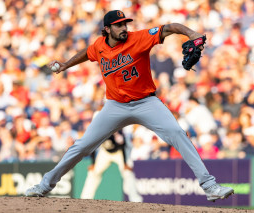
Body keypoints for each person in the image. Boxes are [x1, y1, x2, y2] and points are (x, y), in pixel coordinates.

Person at [25, 10, 234, 202]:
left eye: (125, 23)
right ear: (107, 29)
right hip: (115, 106)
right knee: (82, 146)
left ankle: (209, 186)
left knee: (177, 133)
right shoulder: (99, 45)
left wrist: (191, 33)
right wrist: (65, 65)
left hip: (146, 102)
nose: (124, 28)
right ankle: (44, 185)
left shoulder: (139, 38)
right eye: (118, 25)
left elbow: (168, 28)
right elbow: (87, 53)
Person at [80, 128, 142, 202]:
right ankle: (85, 199)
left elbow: (122, 145)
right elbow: (92, 145)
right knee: (93, 172)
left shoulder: (115, 128)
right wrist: (93, 163)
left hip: (120, 152)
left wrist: (125, 163)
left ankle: (135, 199)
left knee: (127, 172)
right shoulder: (98, 129)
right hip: (105, 152)